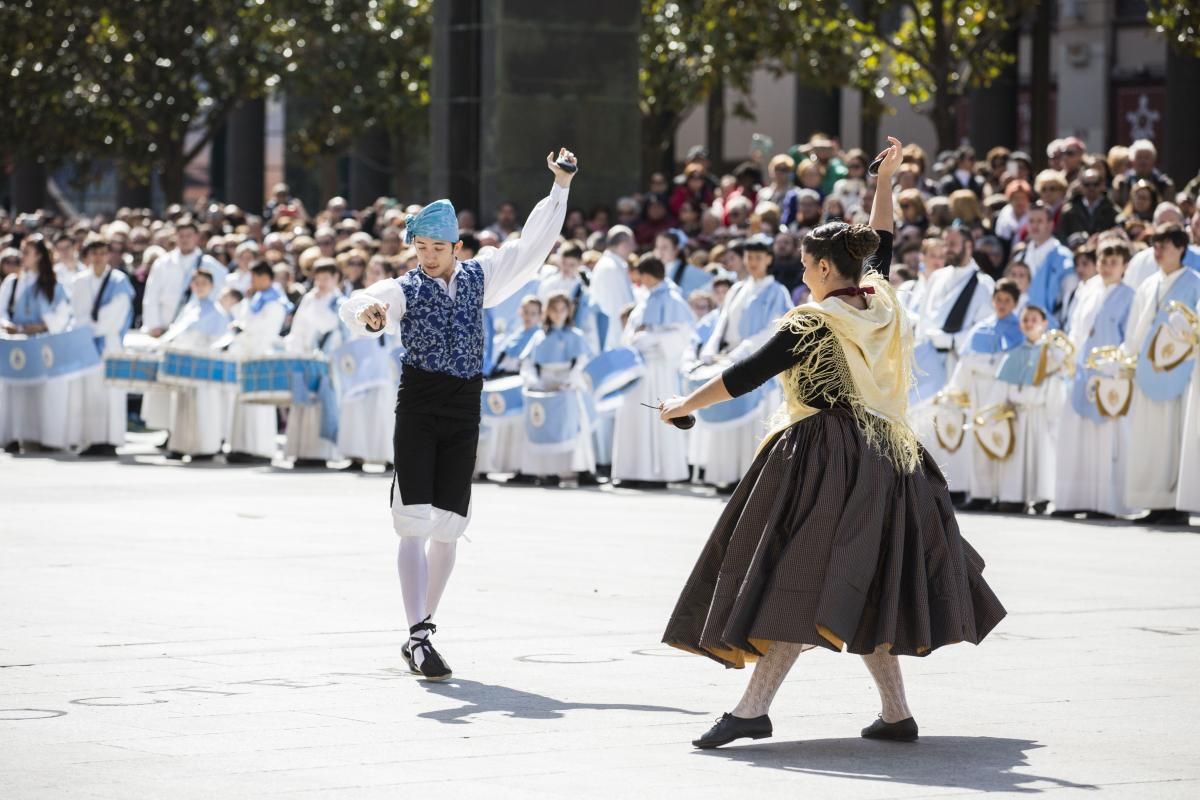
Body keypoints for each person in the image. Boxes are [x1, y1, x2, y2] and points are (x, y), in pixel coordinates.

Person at [659, 136, 1004, 751]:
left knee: (802, 578)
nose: (802, 274)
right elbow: (883, 242)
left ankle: (752, 708)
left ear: (822, 269)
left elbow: (743, 375)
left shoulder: (814, 321)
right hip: (893, 458)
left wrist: (681, 405)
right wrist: (883, 183)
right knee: (867, 578)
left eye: (806, 265)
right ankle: (895, 713)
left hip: (828, 457)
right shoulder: (878, 301)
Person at [339, 148, 574, 681]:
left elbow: (531, 245)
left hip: (464, 403)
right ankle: (419, 635)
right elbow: (362, 300)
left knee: (448, 525)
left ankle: (422, 628)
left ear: (457, 247)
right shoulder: (404, 287)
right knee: (413, 522)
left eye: (437, 247)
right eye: (420, 247)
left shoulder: (480, 276)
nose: (427, 256)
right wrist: (367, 314)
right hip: (419, 403)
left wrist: (559, 187)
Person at [691, 233, 792, 491]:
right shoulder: (737, 288)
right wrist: (711, 349)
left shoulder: (776, 291)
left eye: (759, 257)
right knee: (727, 415)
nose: (753, 262)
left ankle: (749, 478)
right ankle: (726, 474)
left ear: (769, 259)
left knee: (753, 423)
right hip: (728, 359)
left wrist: (741, 351)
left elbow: (774, 330)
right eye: (749, 257)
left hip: (756, 363)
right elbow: (722, 323)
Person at [1122, 223, 1200, 525]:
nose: (1158, 251)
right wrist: (1129, 358)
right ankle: (1154, 502)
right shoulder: (1147, 285)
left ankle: (1175, 506)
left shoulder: (1194, 283)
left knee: (1174, 439)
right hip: (1147, 372)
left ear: (1180, 247)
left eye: (1164, 245)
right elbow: (1135, 329)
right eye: (1154, 245)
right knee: (1149, 439)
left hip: (1179, 373)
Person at [1054, 239, 1136, 518]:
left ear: (1125, 266)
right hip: (1080, 374)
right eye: (1103, 260)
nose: (1106, 266)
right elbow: (1076, 330)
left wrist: (1116, 365)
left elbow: (1131, 337)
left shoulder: (1130, 296)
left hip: (1108, 377)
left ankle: (1106, 504)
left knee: (1105, 440)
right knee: (1076, 437)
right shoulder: (1086, 291)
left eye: (1114, 262)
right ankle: (1073, 500)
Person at [611, 254, 695, 489]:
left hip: (658, 368)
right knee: (633, 416)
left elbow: (682, 334)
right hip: (639, 366)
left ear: (647, 275)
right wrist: (636, 339)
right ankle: (633, 470)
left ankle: (657, 473)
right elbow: (633, 330)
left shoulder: (672, 299)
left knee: (654, 418)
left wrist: (652, 338)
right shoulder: (646, 298)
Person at [950, 279, 1026, 511]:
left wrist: (983, 364)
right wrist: (957, 390)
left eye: (1007, 300)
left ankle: (1005, 495)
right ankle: (981, 493)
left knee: (1002, 436)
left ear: (1015, 303)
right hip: (978, 390)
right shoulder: (981, 328)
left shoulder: (1018, 330)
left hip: (1002, 391)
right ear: (992, 300)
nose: (1002, 304)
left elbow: (1012, 363)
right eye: (998, 299)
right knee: (978, 438)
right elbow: (966, 361)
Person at [0, 235, 75, 452]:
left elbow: (62, 313)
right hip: (16, 343)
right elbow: (2, 309)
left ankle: (44, 437)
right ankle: (13, 435)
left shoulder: (53, 284)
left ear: (39, 256)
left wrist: (42, 326)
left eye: (27, 252)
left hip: (43, 344)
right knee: (14, 391)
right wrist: (8, 325)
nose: (22, 257)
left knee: (44, 391)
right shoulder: (13, 282)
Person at [518, 292, 596, 484]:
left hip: (567, 386)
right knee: (545, 426)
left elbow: (581, 362)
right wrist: (537, 382)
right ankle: (548, 471)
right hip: (545, 385)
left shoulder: (576, 335)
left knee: (575, 426)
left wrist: (569, 381)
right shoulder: (539, 336)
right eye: (554, 309)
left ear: (569, 311)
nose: (559, 313)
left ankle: (579, 470)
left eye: (562, 309)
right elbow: (528, 363)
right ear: (548, 311)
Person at [69, 235, 135, 457]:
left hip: (108, 343)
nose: (98, 258)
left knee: (111, 392)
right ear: (88, 256)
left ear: (109, 255)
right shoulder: (79, 281)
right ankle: (91, 438)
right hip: (86, 342)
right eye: (94, 253)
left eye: (103, 253)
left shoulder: (119, 281)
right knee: (88, 391)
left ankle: (110, 439)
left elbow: (117, 314)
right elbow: (77, 313)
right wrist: (86, 331)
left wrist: (95, 329)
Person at [992, 305, 1062, 513]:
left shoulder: (1051, 353)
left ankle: (1042, 497)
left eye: (1034, 320)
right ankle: (1014, 497)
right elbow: (1004, 386)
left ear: (1044, 323)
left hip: (1040, 412)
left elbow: (1056, 383)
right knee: (1016, 457)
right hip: (1018, 413)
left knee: (1042, 455)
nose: (1029, 324)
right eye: (1025, 320)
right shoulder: (1013, 354)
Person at [159, 267, 232, 459]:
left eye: (204, 283)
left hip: (203, 365)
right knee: (182, 405)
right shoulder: (189, 308)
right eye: (196, 283)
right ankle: (180, 445)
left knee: (203, 405)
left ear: (211, 286)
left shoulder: (217, 311)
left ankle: (204, 447)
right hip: (184, 362)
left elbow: (220, 340)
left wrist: (201, 346)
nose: (200, 287)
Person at [226, 261, 291, 464]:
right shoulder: (255, 299)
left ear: (265, 277)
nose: (252, 282)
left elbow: (265, 332)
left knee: (259, 405)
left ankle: (259, 448)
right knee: (243, 404)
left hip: (259, 354)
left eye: (255, 277)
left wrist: (243, 332)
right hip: (246, 354)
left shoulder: (274, 302)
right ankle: (241, 446)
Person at [282, 259, 343, 468]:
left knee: (321, 403)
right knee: (302, 402)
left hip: (326, 358)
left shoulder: (339, 302)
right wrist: (294, 349)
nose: (322, 282)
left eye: (327, 277)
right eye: (318, 277)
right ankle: (300, 451)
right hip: (304, 355)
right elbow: (298, 327)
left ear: (336, 279)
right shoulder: (308, 298)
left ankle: (320, 452)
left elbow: (331, 326)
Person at [1021, 203, 1075, 322]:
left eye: (1039, 221)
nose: (1035, 225)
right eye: (1031, 221)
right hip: (1024, 329)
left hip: (1053, 328)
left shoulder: (1064, 258)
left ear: (1051, 225)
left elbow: (1069, 299)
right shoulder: (1020, 258)